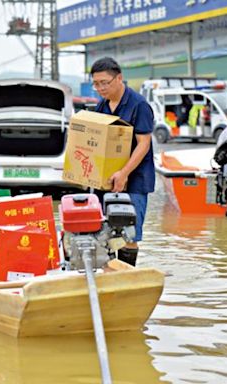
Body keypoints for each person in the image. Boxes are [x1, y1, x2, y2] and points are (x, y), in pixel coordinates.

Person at [90, 57, 155, 266]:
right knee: (104, 230)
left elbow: (143, 143)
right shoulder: (102, 105)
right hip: (108, 177)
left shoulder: (139, 105)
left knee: (130, 233)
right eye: (96, 83)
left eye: (104, 83)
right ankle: (108, 276)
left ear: (119, 78)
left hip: (134, 177)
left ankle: (128, 276)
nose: (100, 88)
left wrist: (124, 173)